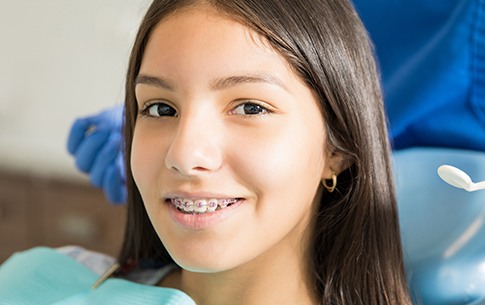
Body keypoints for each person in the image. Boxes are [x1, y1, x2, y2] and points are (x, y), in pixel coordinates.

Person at [1, 0, 411, 304]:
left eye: (251, 107)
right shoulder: (40, 282)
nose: (184, 153)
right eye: (160, 108)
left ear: (336, 149)